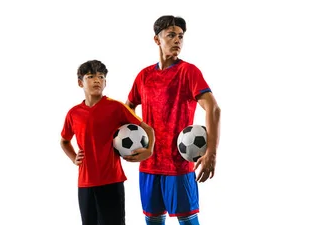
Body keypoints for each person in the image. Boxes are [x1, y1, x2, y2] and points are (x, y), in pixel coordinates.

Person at [125, 15, 222, 225]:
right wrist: (132, 143)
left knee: (187, 221)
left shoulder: (188, 72)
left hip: (178, 163)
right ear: (157, 40)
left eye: (180, 36)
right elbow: (127, 109)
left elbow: (213, 109)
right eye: (171, 35)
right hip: (149, 164)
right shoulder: (144, 76)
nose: (177, 40)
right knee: (153, 221)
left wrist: (211, 153)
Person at [60, 60, 155, 225]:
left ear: (105, 82)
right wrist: (74, 157)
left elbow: (148, 129)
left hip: (112, 181)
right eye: (91, 76)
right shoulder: (73, 114)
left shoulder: (116, 107)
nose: (97, 80)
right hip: (85, 183)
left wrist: (149, 150)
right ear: (80, 82)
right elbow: (64, 141)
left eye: (101, 77)